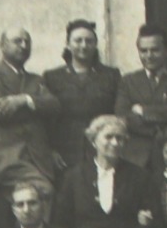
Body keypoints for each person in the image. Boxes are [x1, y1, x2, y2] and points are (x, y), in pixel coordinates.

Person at [0, 27, 62, 206]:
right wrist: (36, 107)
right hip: (4, 158)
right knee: (43, 192)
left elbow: (54, 106)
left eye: (27, 42)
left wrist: (23, 100)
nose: (23, 46)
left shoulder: (36, 80)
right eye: (17, 41)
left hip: (37, 156)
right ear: (2, 45)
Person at [42, 19, 122, 170]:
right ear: (68, 44)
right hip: (64, 151)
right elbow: (45, 120)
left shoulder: (111, 75)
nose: (84, 46)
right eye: (78, 41)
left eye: (89, 41)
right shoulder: (52, 77)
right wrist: (50, 150)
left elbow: (117, 113)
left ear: (95, 44)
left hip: (102, 149)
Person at [115, 23, 167, 169]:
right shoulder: (128, 81)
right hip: (137, 154)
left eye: (155, 50)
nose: (149, 56)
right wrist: (162, 120)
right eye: (143, 51)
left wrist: (142, 111)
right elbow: (123, 116)